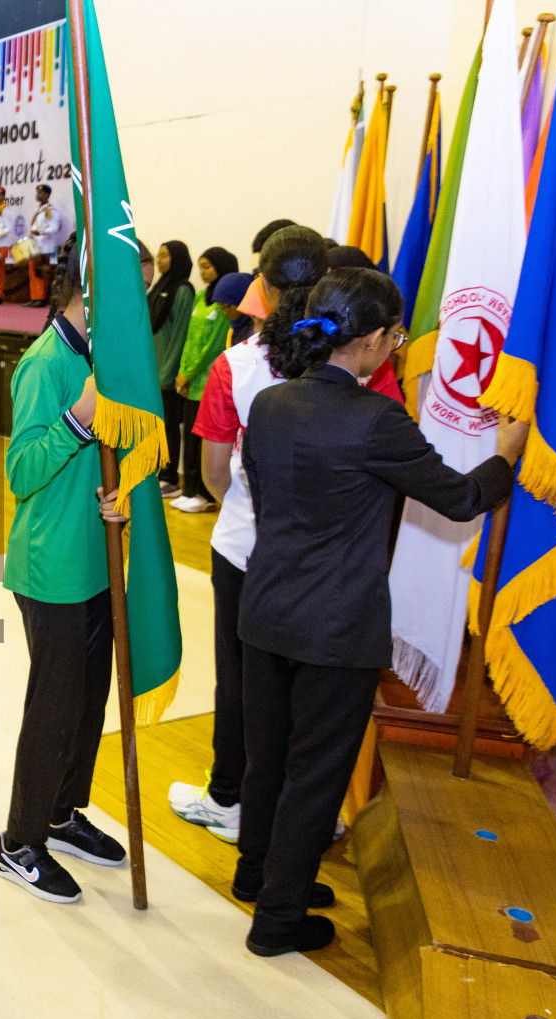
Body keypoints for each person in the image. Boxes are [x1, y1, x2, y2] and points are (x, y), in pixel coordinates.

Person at [235, 267, 523, 956]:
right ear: (366, 341)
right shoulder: (374, 419)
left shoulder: (271, 403)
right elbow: (456, 499)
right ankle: (278, 919)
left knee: (267, 758)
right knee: (316, 772)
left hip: (267, 606)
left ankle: (262, 876)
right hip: (336, 625)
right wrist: (505, 457)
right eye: (394, 337)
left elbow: (268, 504)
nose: (396, 347)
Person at [169, 228, 402, 848]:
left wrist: (251, 508)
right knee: (317, 698)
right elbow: (392, 456)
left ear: (261, 290)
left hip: (248, 548)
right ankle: (304, 820)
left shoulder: (236, 365)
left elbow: (215, 471)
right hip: (334, 563)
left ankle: (231, 799)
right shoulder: (367, 366)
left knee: (243, 682)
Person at [0, 234, 129, 904]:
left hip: (97, 561)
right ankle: (18, 841)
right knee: (52, 709)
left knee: (87, 702)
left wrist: (117, 495)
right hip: (51, 566)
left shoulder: (101, 357)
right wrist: (76, 423)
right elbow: (20, 471)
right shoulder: (45, 364)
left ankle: (60, 813)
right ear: (89, 286)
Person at [170, 246, 239, 513]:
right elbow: (190, 338)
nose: (203, 272)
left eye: (208, 266)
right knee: (189, 435)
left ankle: (205, 494)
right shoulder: (200, 297)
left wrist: (191, 372)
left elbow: (213, 346)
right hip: (190, 381)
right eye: (201, 266)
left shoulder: (226, 300)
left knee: (206, 440)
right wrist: (183, 372)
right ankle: (189, 489)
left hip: (210, 379)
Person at [148, 240, 194, 498]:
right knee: (155, 424)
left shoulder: (182, 290)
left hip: (165, 374)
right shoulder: (158, 288)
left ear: (177, 259)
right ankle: (157, 469)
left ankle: (170, 478)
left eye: (165, 255)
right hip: (151, 372)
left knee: (168, 426)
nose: (159, 260)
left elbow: (180, 336)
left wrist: (166, 374)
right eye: (159, 255)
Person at [22, 183, 63, 308]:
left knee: (41, 271)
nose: (38, 195)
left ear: (47, 194)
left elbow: (54, 228)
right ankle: (34, 297)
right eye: (37, 192)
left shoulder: (51, 210)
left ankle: (41, 298)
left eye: (40, 192)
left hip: (44, 245)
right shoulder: (37, 210)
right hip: (34, 244)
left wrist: (40, 232)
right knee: (33, 271)